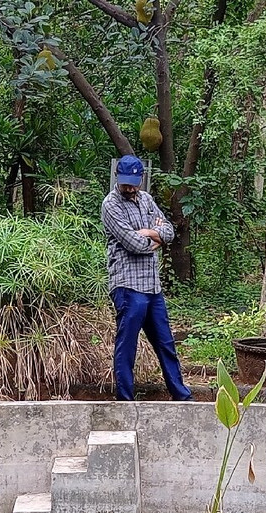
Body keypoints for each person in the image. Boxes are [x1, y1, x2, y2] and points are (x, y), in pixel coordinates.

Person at [101, 154, 193, 402]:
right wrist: (153, 239)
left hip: (152, 287)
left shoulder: (147, 200)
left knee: (165, 343)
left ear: (141, 179)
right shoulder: (111, 205)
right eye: (124, 182)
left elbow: (169, 231)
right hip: (127, 285)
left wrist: (152, 233)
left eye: (133, 182)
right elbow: (134, 244)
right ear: (117, 179)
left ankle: (182, 396)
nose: (129, 187)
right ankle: (125, 399)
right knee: (127, 345)